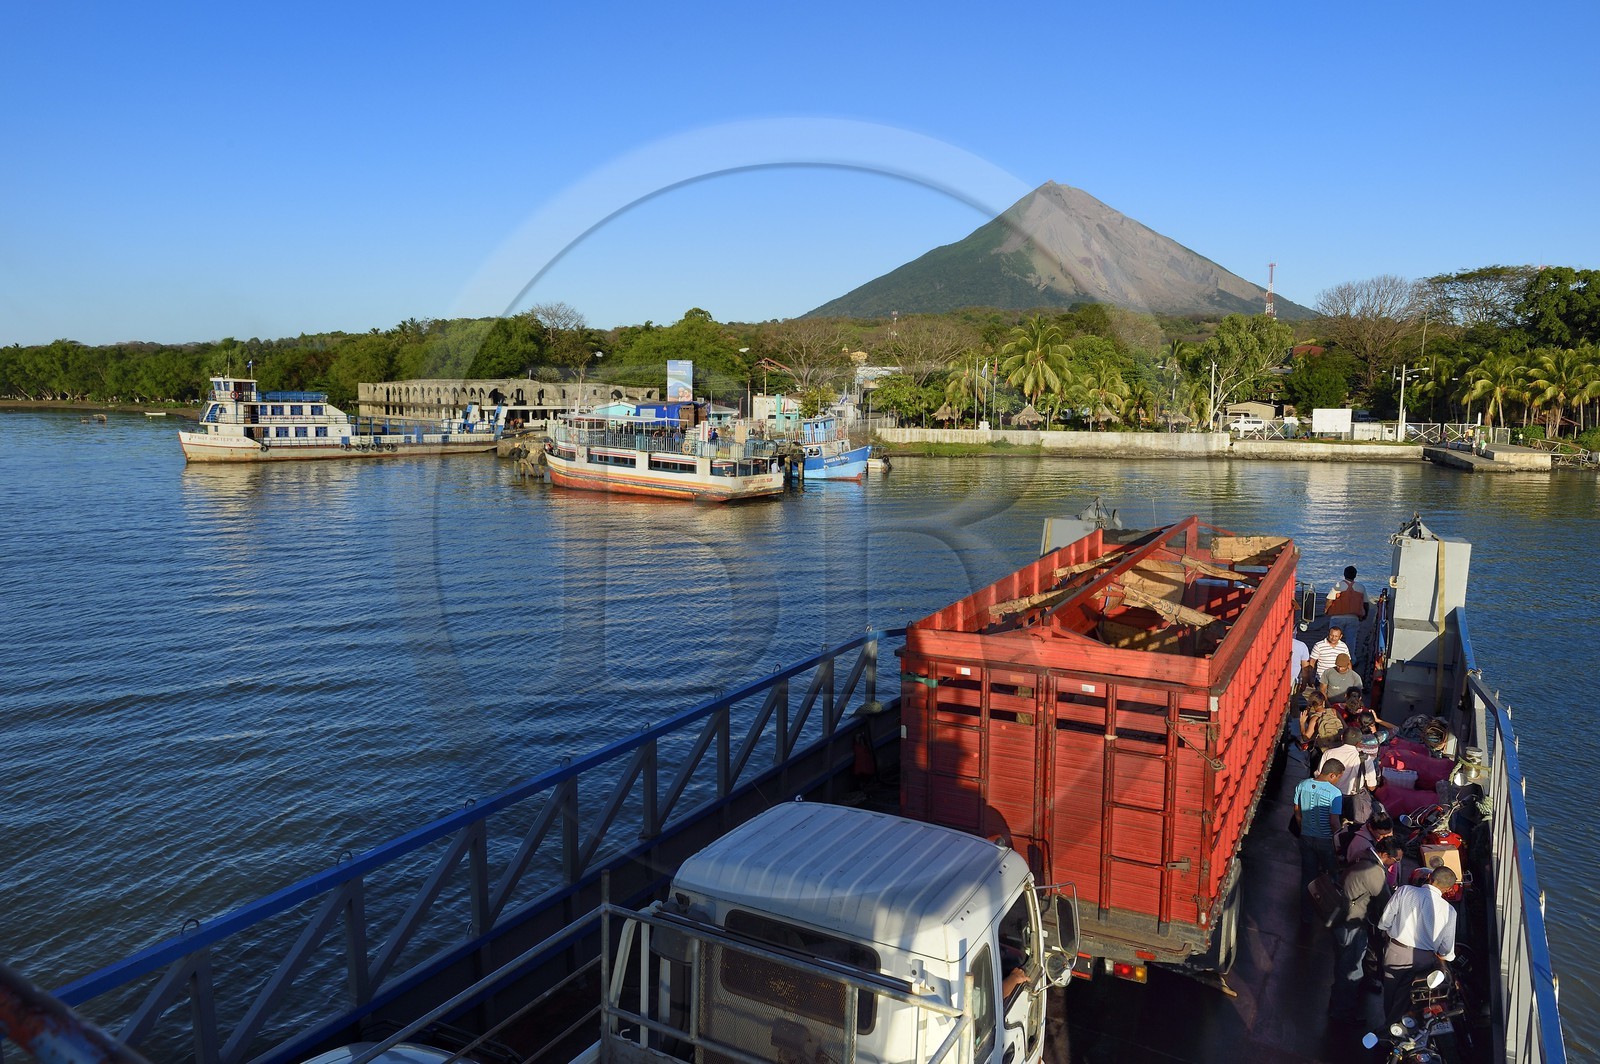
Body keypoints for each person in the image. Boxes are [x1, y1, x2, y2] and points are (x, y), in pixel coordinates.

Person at [1330, 837, 1403, 1023]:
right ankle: (1342, 1012)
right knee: (1351, 969)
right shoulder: (1374, 873)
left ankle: (1337, 1001)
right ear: (1385, 855)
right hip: (1352, 924)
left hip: (1340, 917)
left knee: (1342, 963)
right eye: (1395, 860)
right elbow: (1386, 904)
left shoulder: (1363, 854)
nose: (1395, 864)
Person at [1378, 866, 1459, 1021]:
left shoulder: (1404, 891)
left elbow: (1385, 921)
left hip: (1395, 952)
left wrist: (1389, 930)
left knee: (1390, 992)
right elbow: (1447, 949)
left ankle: (1389, 1027)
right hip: (1424, 960)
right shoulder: (1449, 911)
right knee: (1412, 996)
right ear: (1448, 889)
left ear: (1430, 878)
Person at [1293, 760, 1345, 923]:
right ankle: (1331, 911)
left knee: (1308, 877)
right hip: (1325, 842)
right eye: (1338, 777)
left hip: (1306, 838)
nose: (1338, 781)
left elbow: (1297, 812)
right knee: (1333, 876)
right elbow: (1334, 821)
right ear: (1332, 775)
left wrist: (1304, 829)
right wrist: (1338, 842)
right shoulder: (1335, 793)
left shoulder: (1302, 785)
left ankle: (1306, 915)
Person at [1320, 727, 1378, 820]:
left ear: (1342, 737)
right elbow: (1372, 787)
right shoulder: (1365, 758)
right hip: (1353, 800)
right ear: (1359, 742)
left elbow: (1320, 776)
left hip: (1330, 796)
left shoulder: (1329, 753)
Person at [1328, 567, 1369, 668]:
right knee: (1351, 640)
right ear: (1355, 575)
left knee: (1334, 639)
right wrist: (1365, 615)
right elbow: (1366, 604)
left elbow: (1329, 600)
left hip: (1337, 617)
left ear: (1344, 574)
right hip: (1353, 618)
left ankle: (1332, 658)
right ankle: (1351, 660)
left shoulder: (1338, 585)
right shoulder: (1361, 587)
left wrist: (1326, 610)